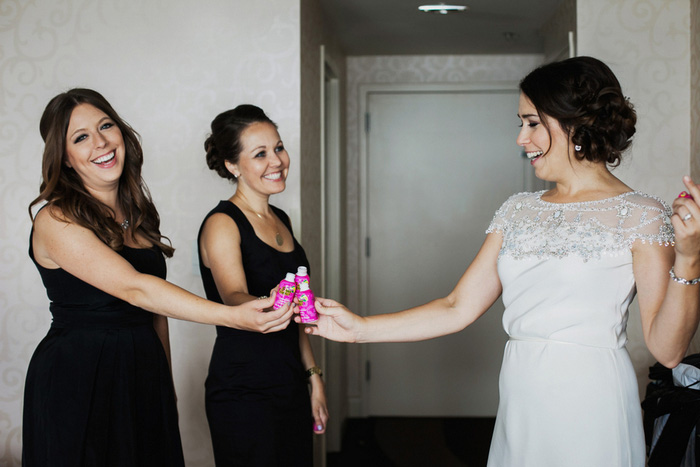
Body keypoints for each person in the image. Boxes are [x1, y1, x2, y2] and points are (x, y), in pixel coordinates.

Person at [301, 56, 700, 466]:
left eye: (531, 123)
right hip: (521, 389)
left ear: (575, 123)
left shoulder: (640, 213)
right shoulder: (517, 210)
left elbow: (667, 351)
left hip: (591, 395)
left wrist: (688, 260)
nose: (520, 138)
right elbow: (457, 306)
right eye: (520, 123)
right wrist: (360, 330)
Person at [23, 89, 294, 466]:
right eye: (80, 137)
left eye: (106, 126)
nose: (101, 142)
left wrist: (165, 383)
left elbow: (154, 312)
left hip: (142, 370)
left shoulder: (138, 217)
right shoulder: (55, 219)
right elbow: (136, 289)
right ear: (65, 158)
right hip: (81, 377)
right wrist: (233, 315)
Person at [198, 104, 328, 466]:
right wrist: (265, 301)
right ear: (232, 165)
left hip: (289, 382)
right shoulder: (222, 223)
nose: (277, 161)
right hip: (243, 388)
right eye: (260, 154)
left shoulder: (281, 218)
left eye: (279, 147)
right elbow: (234, 297)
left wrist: (313, 378)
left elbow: (299, 311)